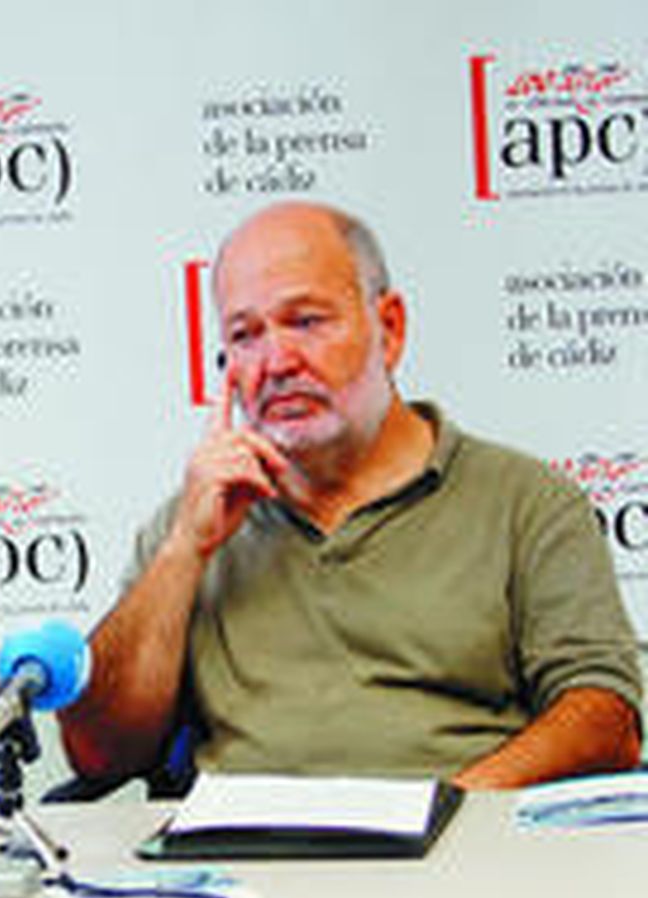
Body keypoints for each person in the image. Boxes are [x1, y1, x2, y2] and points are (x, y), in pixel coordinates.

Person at [57, 201, 641, 791]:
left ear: (388, 329)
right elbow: (100, 756)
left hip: (463, 857)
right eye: (245, 335)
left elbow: (604, 721)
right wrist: (185, 548)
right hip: (249, 861)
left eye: (306, 321)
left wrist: (447, 812)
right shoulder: (192, 523)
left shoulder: (527, 503)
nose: (277, 362)